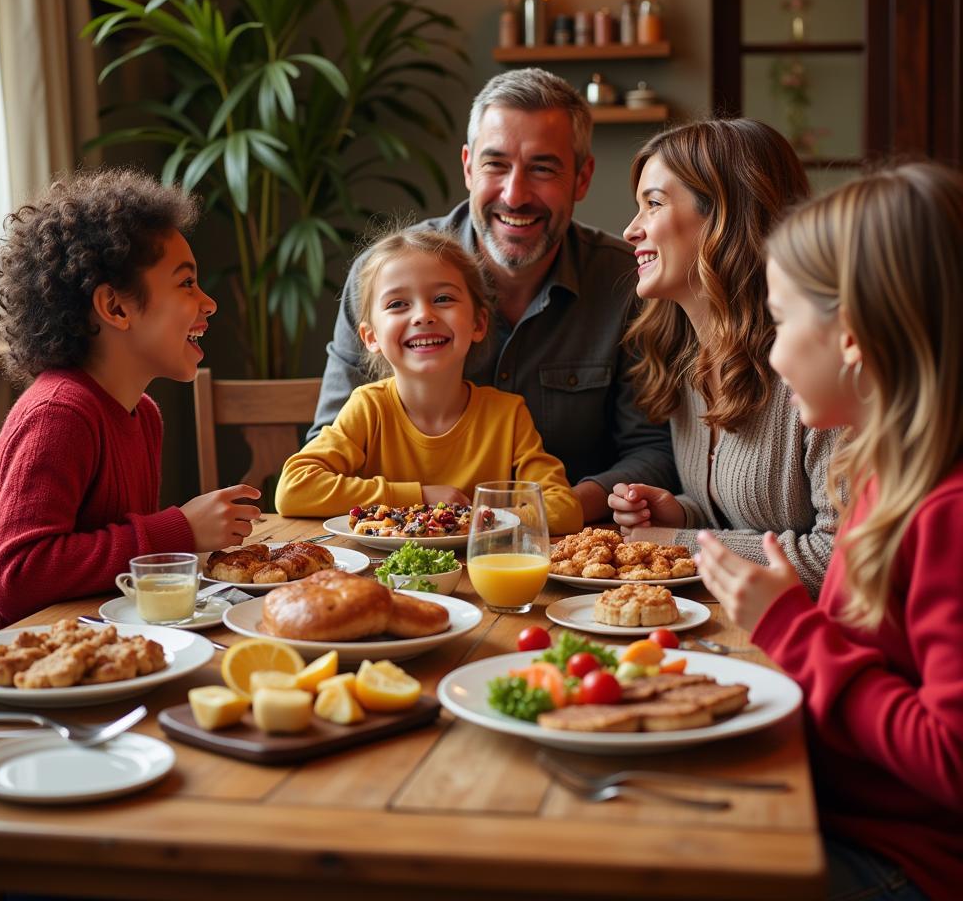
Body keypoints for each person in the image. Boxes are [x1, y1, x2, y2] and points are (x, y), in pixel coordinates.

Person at [696, 162, 963, 901]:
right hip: (830, 812)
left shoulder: (946, 514)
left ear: (850, 336)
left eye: (780, 322)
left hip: (901, 865)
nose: (772, 352)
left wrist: (792, 628)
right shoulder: (879, 480)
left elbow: (952, 759)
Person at [309, 68, 677, 524]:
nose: (515, 194)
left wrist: (536, 514)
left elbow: (653, 449)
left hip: (572, 554)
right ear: (468, 167)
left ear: (582, 178)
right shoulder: (382, 278)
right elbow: (323, 451)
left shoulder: (631, 283)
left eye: (542, 168)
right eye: (495, 165)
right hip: (395, 552)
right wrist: (425, 504)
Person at [0, 170, 261, 643]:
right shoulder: (59, 414)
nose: (209, 303)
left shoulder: (143, 415)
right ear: (115, 307)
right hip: (0, 668)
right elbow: (18, 575)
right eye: (187, 283)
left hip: (86, 645)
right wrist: (178, 532)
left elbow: (106, 576)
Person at [607, 118, 838, 597]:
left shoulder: (817, 371)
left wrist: (678, 541)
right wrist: (680, 509)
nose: (631, 231)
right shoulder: (685, 360)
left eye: (653, 204)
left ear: (724, 218)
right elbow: (738, 515)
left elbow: (841, 558)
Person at [277, 227, 583, 535]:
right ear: (371, 336)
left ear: (478, 323)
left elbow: (564, 509)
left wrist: (475, 518)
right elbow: (293, 489)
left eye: (442, 298)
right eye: (397, 304)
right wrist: (421, 496)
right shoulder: (368, 408)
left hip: (479, 577)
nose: (423, 315)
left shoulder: (508, 414)